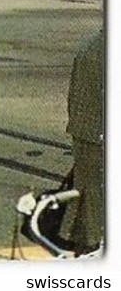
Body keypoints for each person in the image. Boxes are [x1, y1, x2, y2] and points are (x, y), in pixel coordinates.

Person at [62, 29, 104, 252]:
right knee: (95, 207)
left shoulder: (90, 45)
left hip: (86, 133)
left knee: (88, 203)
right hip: (100, 137)